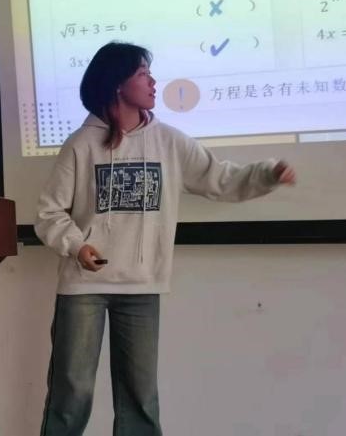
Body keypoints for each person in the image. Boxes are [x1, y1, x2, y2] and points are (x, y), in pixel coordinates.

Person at [35, 41, 296, 436]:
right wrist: (77, 245)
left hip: (142, 286)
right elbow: (49, 212)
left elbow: (219, 179)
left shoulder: (169, 142)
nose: (153, 82)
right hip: (83, 287)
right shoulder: (80, 145)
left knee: (140, 399)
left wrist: (267, 174)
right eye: (143, 74)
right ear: (118, 84)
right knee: (71, 394)